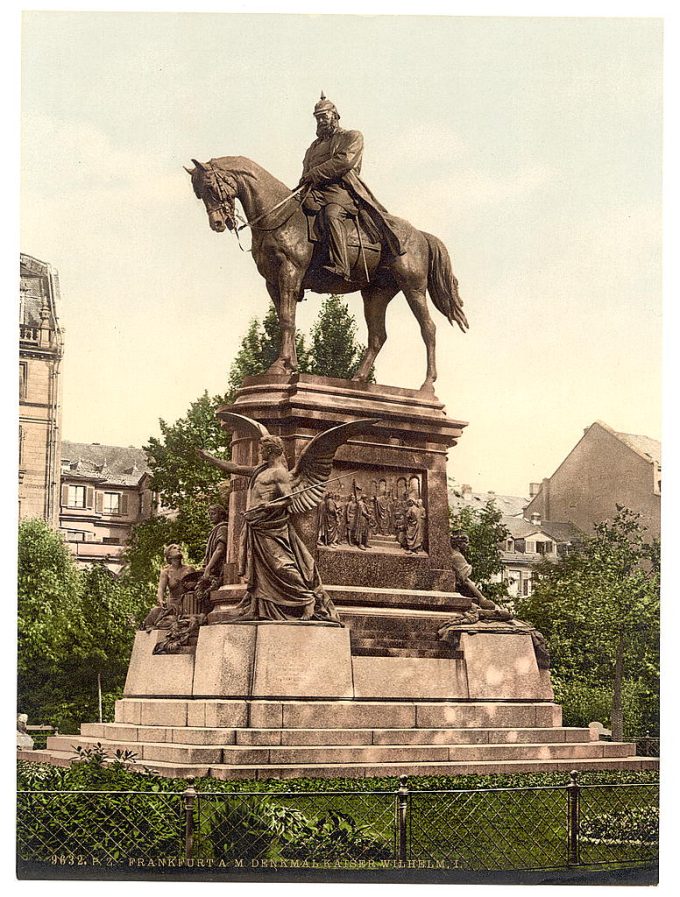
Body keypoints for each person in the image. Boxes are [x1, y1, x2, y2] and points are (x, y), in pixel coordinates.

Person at [197, 437, 340, 622]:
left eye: (262, 448)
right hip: (258, 525)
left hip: (273, 526)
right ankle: (267, 604)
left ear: (271, 451)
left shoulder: (279, 473)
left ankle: (307, 599)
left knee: (281, 566)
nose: (259, 452)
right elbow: (233, 468)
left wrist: (268, 507)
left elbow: (288, 499)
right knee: (265, 570)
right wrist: (209, 458)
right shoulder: (260, 470)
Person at [298, 93, 405, 280]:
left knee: (331, 215)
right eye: (318, 117)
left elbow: (344, 161)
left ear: (335, 115)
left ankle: (341, 266)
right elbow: (306, 172)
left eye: (324, 116)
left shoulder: (351, 136)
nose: (321, 120)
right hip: (315, 192)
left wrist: (314, 174)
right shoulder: (312, 148)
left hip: (341, 191)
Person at [142, 544, 196, 630]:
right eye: (174, 548)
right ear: (169, 555)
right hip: (172, 604)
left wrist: (193, 585)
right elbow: (161, 588)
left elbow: (197, 586)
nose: (178, 549)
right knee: (155, 612)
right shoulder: (166, 572)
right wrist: (160, 600)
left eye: (179, 548)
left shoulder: (189, 569)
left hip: (186, 604)